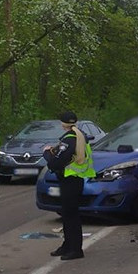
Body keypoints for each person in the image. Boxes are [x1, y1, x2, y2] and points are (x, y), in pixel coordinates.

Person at [43, 111, 95, 261]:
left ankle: (75, 249)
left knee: (71, 216)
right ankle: (68, 245)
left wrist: (46, 153)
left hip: (70, 181)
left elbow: (55, 162)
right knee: (67, 214)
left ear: (62, 123)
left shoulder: (70, 139)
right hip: (74, 180)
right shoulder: (78, 136)